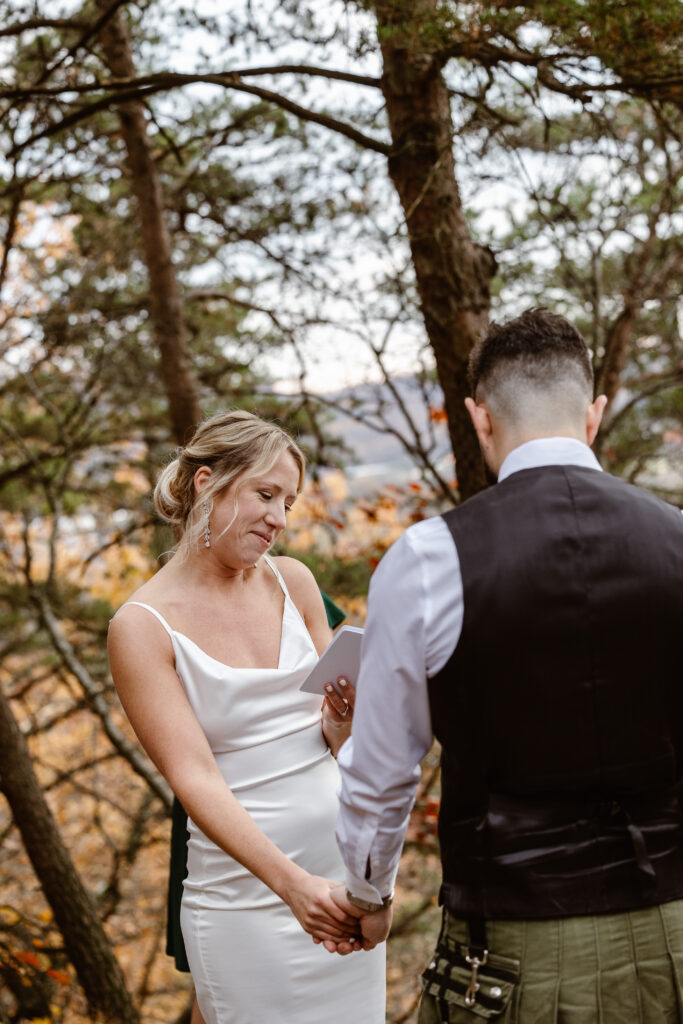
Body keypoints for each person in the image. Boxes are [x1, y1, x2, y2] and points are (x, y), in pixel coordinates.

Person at [329, 308, 683, 1022]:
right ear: (594, 413)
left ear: (477, 417)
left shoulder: (427, 560)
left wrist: (367, 896)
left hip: (520, 945)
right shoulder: (677, 538)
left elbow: (383, 767)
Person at [108, 410, 385, 1024]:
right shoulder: (141, 626)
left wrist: (342, 726)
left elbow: (332, 737)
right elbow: (195, 779)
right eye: (266, 494)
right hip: (247, 908)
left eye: (288, 502)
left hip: (341, 890)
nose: (279, 519)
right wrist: (293, 887)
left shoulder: (296, 582)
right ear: (207, 483)